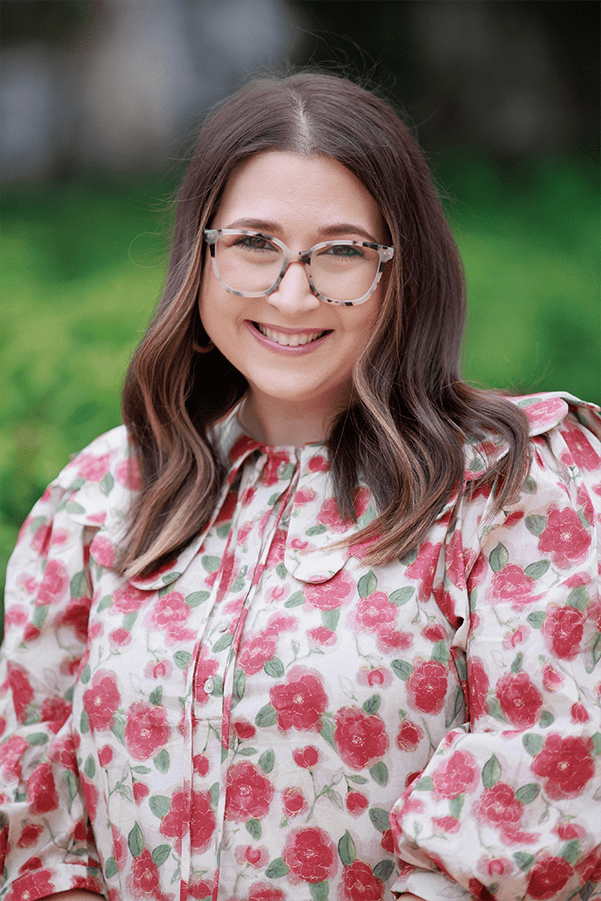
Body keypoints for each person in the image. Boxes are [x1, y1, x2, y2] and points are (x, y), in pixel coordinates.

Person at [0, 71, 599, 901]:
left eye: (342, 252)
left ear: (403, 267)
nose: (291, 293)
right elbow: (35, 812)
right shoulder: (105, 493)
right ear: (201, 254)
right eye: (254, 243)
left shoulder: (510, 485)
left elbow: (547, 776)